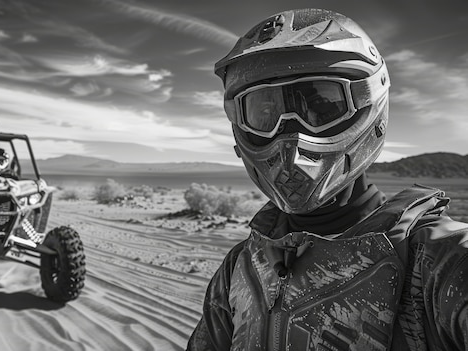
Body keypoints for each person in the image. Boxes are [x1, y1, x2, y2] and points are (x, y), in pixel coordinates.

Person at [187, 8, 468, 351]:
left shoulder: (440, 261)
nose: (288, 135)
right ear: (239, 126)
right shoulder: (241, 265)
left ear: (368, 103)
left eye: (319, 107)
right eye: (264, 113)